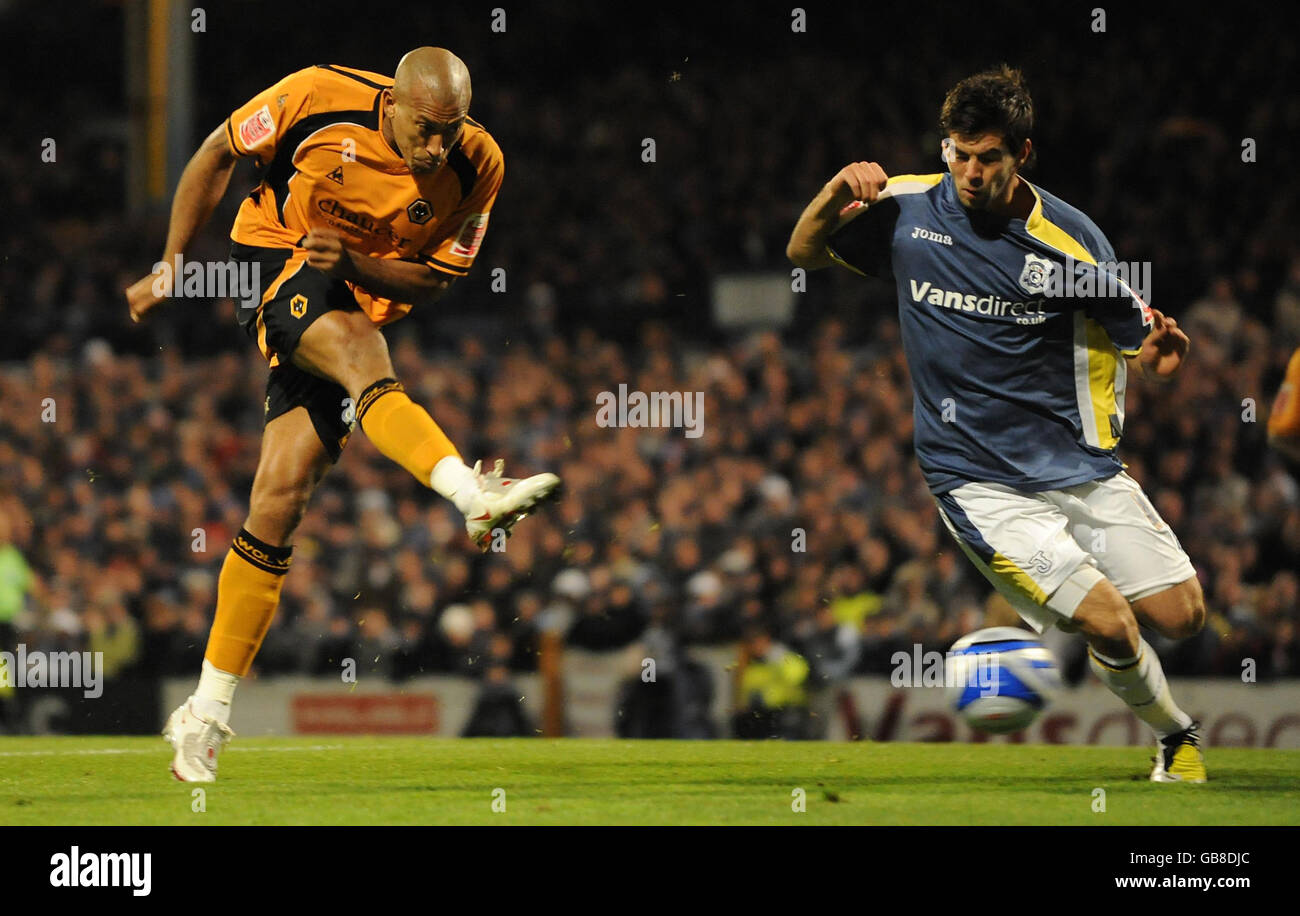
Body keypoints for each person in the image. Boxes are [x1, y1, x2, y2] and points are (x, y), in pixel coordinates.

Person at [125, 48, 560, 782]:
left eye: (449, 130)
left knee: (279, 500)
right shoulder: (313, 96)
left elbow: (432, 281)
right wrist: (173, 261)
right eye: (425, 129)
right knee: (362, 351)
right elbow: (217, 151)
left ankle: (203, 714)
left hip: (351, 288)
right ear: (392, 102)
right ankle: (468, 494)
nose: (437, 146)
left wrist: (356, 266)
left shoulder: (479, 163)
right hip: (273, 260)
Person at [788, 65, 1208, 782]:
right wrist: (833, 195)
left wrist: (1159, 360)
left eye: (988, 157)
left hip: (1078, 468)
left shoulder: (1074, 246)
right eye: (959, 152)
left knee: (1184, 616)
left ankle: (1073, 634)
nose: (970, 171)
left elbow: (1138, 347)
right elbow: (803, 253)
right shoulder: (905, 210)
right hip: (976, 480)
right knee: (1109, 621)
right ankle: (1177, 739)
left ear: (1023, 154)